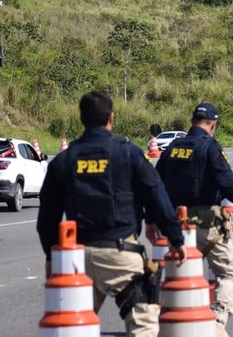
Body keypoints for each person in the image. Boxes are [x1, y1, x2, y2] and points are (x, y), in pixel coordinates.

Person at [37, 91, 187, 337]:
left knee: (73, 328)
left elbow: (47, 218)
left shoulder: (63, 161)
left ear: (81, 119)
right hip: (120, 254)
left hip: (77, 258)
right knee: (144, 326)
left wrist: (51, 256)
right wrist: (176, 238)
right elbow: (156, 194)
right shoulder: (128, 154)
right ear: (111, 118)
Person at [148, 102, 233, 337]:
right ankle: (217, 325)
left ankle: (174, 324)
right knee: (228, 272)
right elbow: (225, 182)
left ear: (191, 121)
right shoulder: (210, 147)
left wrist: (151, 218)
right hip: (206, 225)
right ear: (214, 124)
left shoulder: (173, 148)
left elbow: (155, 186)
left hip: (176, 225)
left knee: (181, 275)